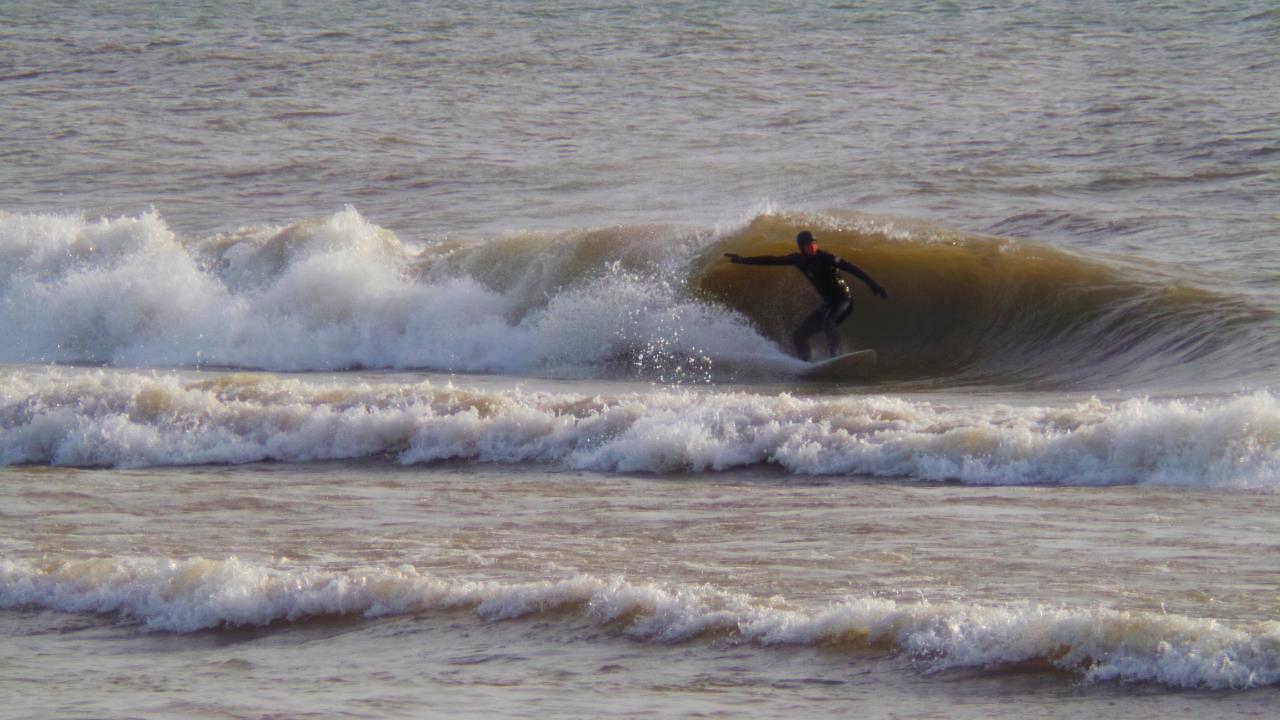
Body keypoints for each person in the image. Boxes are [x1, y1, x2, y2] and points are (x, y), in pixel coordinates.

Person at [725, 230, 888, 361]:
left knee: (828, 322)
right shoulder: (799, 260)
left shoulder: (827, 257)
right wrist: (743, 260)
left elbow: (852, 268)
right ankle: (806, 363)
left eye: (814, 244)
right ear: (801, 247)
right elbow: (771, 260)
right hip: (828, 304)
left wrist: (873, 284)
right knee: (798, 336)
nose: (813, 247)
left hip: (843, 301)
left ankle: (836, 355)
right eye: (809, 245)